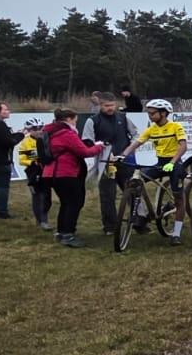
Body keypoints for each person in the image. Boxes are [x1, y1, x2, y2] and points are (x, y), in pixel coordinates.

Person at [116, 99, 189, 244]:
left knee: (178, 198)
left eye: (153, 113)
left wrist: (172, 162)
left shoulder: (175, 126)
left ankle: (176, 233)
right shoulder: (152, 129)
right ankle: (142, 215)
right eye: (148, 113)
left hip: (175, 163)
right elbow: (137, 143)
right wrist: (122, 155)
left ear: (163, 113)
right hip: (160, 163)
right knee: (136, 182)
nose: (149, 115)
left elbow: (183, 147)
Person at [43, 108, 105, 247]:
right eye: (75, 121)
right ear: (69, 119)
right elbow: (85, 152)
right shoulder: (66, 134)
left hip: (51, 173)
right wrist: (99, 146)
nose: (76, 124)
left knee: (66, 203)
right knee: (74, 203)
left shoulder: (50, 131)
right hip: (66, 172)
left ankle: (61, 232)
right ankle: (68, 234)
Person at [83, 92, 138, 235]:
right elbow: (87, 141)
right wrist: (99, 147)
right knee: (107, 195)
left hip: (124, 160)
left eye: (112, 105)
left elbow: (136, 134)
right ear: (100, 105)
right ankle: (110, 227)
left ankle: (139, 221)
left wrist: (130, 148)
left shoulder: (123, 118)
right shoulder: (93, 121)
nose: (110, 108)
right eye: (106, 106)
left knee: (133, 191)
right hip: (105, 163)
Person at [16, 118, 52, 230]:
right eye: (34, 129)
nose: (38, 131)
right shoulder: (25, 142)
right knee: (37, 196)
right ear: (29, 130)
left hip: (46, 170)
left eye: (40, 128)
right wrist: (33, 161)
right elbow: (22, 160)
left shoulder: (47, 139)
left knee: (47, 196)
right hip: (33, 171)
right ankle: (41, 220)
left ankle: (43, 218)